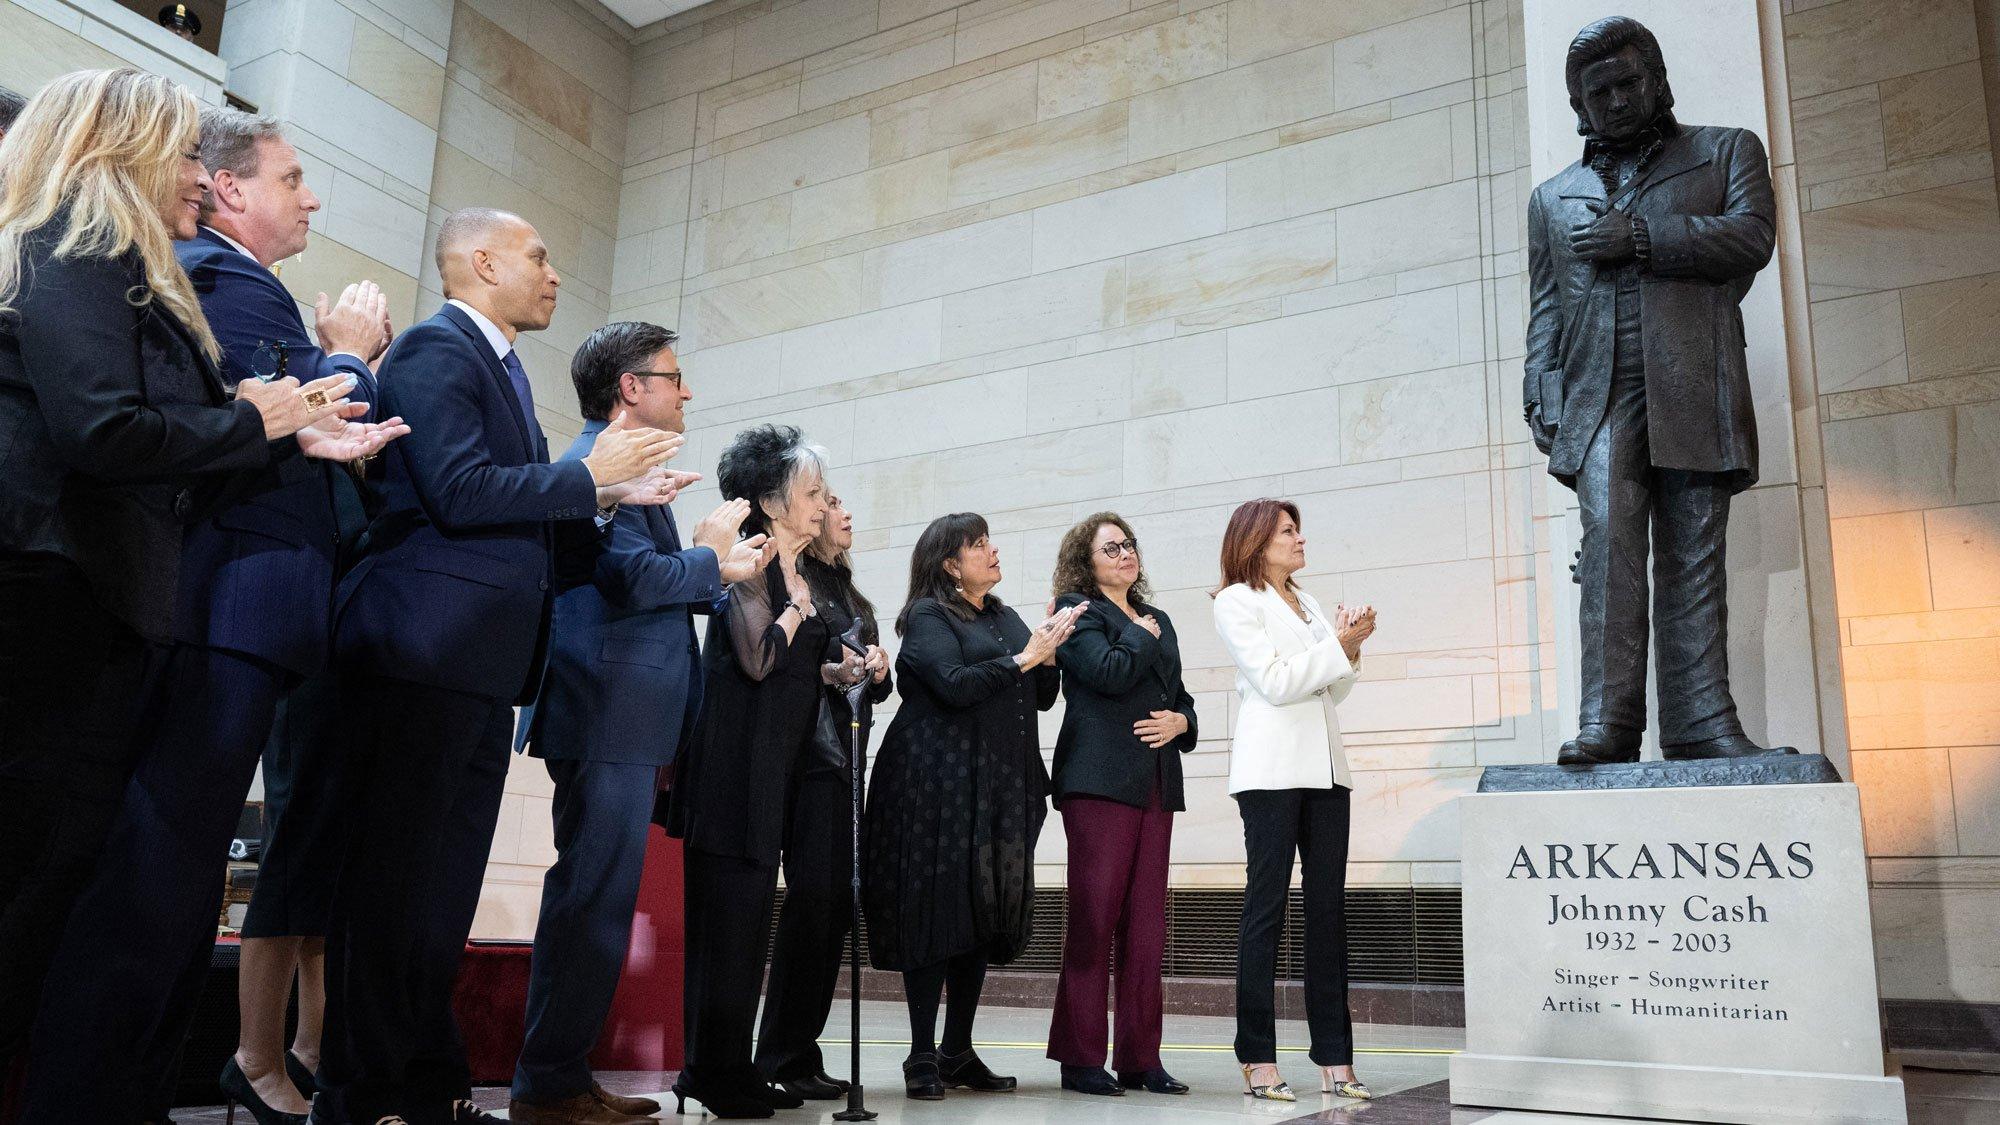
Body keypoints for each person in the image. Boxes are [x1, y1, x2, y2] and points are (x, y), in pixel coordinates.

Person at [20, 107, 407, 1125]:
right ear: (228, 189)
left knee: (177, 881)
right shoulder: (216, 275)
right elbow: (228, 416)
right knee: (151, 877)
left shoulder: (219, 274)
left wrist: (289, 413)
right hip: (217, 600)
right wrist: (345, 368)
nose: (311, 196)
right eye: (291, 177)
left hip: (226, 605)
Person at [318, 208, 682, 1125]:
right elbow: (459, 488)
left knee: (437, 902)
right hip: (423, 649)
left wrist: (599, 501)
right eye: (538, 256)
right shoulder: (441, 351)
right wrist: (593, 478)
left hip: (475, 665)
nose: (555, 274)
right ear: (481, 262)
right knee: (394, 893)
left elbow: (520, 525)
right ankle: (357, 1099)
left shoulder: (503, 372)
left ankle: (419, 1091)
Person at [508, 323, 769, 1125]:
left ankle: (562, 1074)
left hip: (628, 712)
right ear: (630, 387)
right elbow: (623, 576)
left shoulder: (631, 465)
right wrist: (708, 555)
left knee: (601, 902)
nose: (684, 391)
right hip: (605, 706)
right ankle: (548, 1082)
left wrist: (709, 572)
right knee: (590, 900)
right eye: (672, 377)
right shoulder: (596, 461)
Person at [1524, 16, 1780, 764]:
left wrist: (1641, 239)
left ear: (1659, 81)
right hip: (1597, 391)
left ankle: (1701, 722)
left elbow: (1751, 238)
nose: (1616, 100)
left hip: (1694, 377)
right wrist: (1540, 383)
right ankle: (1607, 721)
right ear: (1580, 106)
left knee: (1694, 553)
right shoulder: (1553, 197)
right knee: (1606, 549)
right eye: (1597, 91)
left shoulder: (1726, 150)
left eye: (1628, 82)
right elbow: (1546, 303)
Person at [862, 514, 1084, 1101]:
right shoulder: (930, 617)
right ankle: (919, 1055)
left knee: (982, 912)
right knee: (936, 911)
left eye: (990, 541)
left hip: (1002, 783)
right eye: (977, 544)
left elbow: (1038, 697)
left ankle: (957, 1051)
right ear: (948, 563)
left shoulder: (1004, 616)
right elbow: (955, 684)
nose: (991, 550)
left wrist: (1050, 652)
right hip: (936, 782)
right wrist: (1024, 658)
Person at [664, 424, 837, 1120]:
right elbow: (758, 657)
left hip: (776, 771)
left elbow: (796, 668)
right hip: (734, 768)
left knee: (746, 926)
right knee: (726, 926)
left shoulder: (804, 571)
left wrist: (841, 667)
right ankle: (710, 1068)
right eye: (810, 492)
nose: (824, 505)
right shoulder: (750, 562)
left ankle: (728, 1062)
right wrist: (797, 611)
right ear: (769, 499)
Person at [1212, 499, 1377, 1103]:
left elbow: (1333, 688)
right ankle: (1256, 1056)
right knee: (1267, 908)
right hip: (1271, 771)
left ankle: (1335, 1058)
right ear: (1256, 541)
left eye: (1297, 528)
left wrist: (1350, 650)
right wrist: (1340, 644)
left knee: (1328, 913)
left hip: (1328, 769)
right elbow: (1277, 682)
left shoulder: (1303, 601)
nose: (1299, 538)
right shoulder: (1235, 600)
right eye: (1287, 531)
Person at [1044, 513, 1197, 1098]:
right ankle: (1080, 1057)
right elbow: (1107, 674)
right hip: (1099, 782)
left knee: (1146, 928)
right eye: (1111, 547)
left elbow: (1179, 697)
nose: (1125, 553)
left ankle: (1140, 1058)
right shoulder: (1075, 612)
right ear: (1087, 559)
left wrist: (1184, 721)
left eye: (1129, 544)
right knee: (1093, 918)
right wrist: (1140, 635)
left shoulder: (1160, 620)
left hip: (1156, 782)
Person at [753, 488, 892, 1099]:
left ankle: (802, 1047)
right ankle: (779, 1052)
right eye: (833, 500)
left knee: (836, 905)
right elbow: (794, 661)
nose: (845, 511)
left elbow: (869, 689)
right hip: (807, 758)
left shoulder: (852, 593)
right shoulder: (794, 576)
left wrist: (878, 670)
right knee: (813, 901)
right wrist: (840, 664)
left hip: (845, 758)